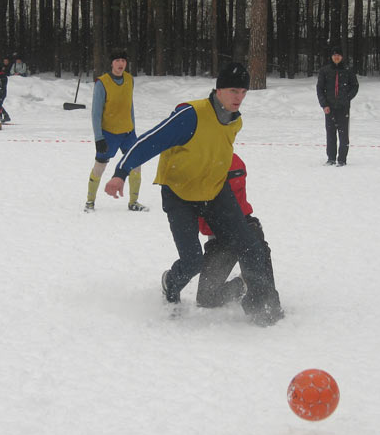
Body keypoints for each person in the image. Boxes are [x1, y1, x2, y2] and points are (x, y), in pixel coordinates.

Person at [104, 62, 284, 326]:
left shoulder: (235, 120)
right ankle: (171, 284)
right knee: (192, 261)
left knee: (250, 245)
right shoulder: (191, 115)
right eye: (234, 91)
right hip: (180, 196)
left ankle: (261, 308)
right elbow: (150, 140)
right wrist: (121, 171)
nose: (239, 98)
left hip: (214, 191)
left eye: (243, 92)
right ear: (219, 90)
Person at [196, 153, 275, 311]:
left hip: (232, 234)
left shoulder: (205, 165)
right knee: (206, 298)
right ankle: (245, 285)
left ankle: (260, 296)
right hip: (240, 230)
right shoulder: (234, 161)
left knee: (207, 297)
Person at [84, 50, 148, 213]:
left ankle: (133, 201)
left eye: (123, 61)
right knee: (100, 167)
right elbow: (96, 112)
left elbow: (130, 106)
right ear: (112, 63)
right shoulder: (102, 83)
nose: (121, 64)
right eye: (117, 60)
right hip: (108, 134)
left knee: (136, 165)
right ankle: (90, 202)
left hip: (128, 133)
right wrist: (99, 137)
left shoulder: (129, 80)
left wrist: (133, 127)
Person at [316, 45, 359, 166]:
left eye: (338, 55)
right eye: (334, 55)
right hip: (329, 108)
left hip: (343, 107)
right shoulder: (325, 71)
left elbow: (355, 86)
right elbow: (319, 88)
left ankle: (342, 159)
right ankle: (331, 158)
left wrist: (347, 98)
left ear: (342, 57)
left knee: (343, 134)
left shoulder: (348, 70)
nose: (336, 57)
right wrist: (324, 105)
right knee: (330, 134)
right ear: (331, 57)